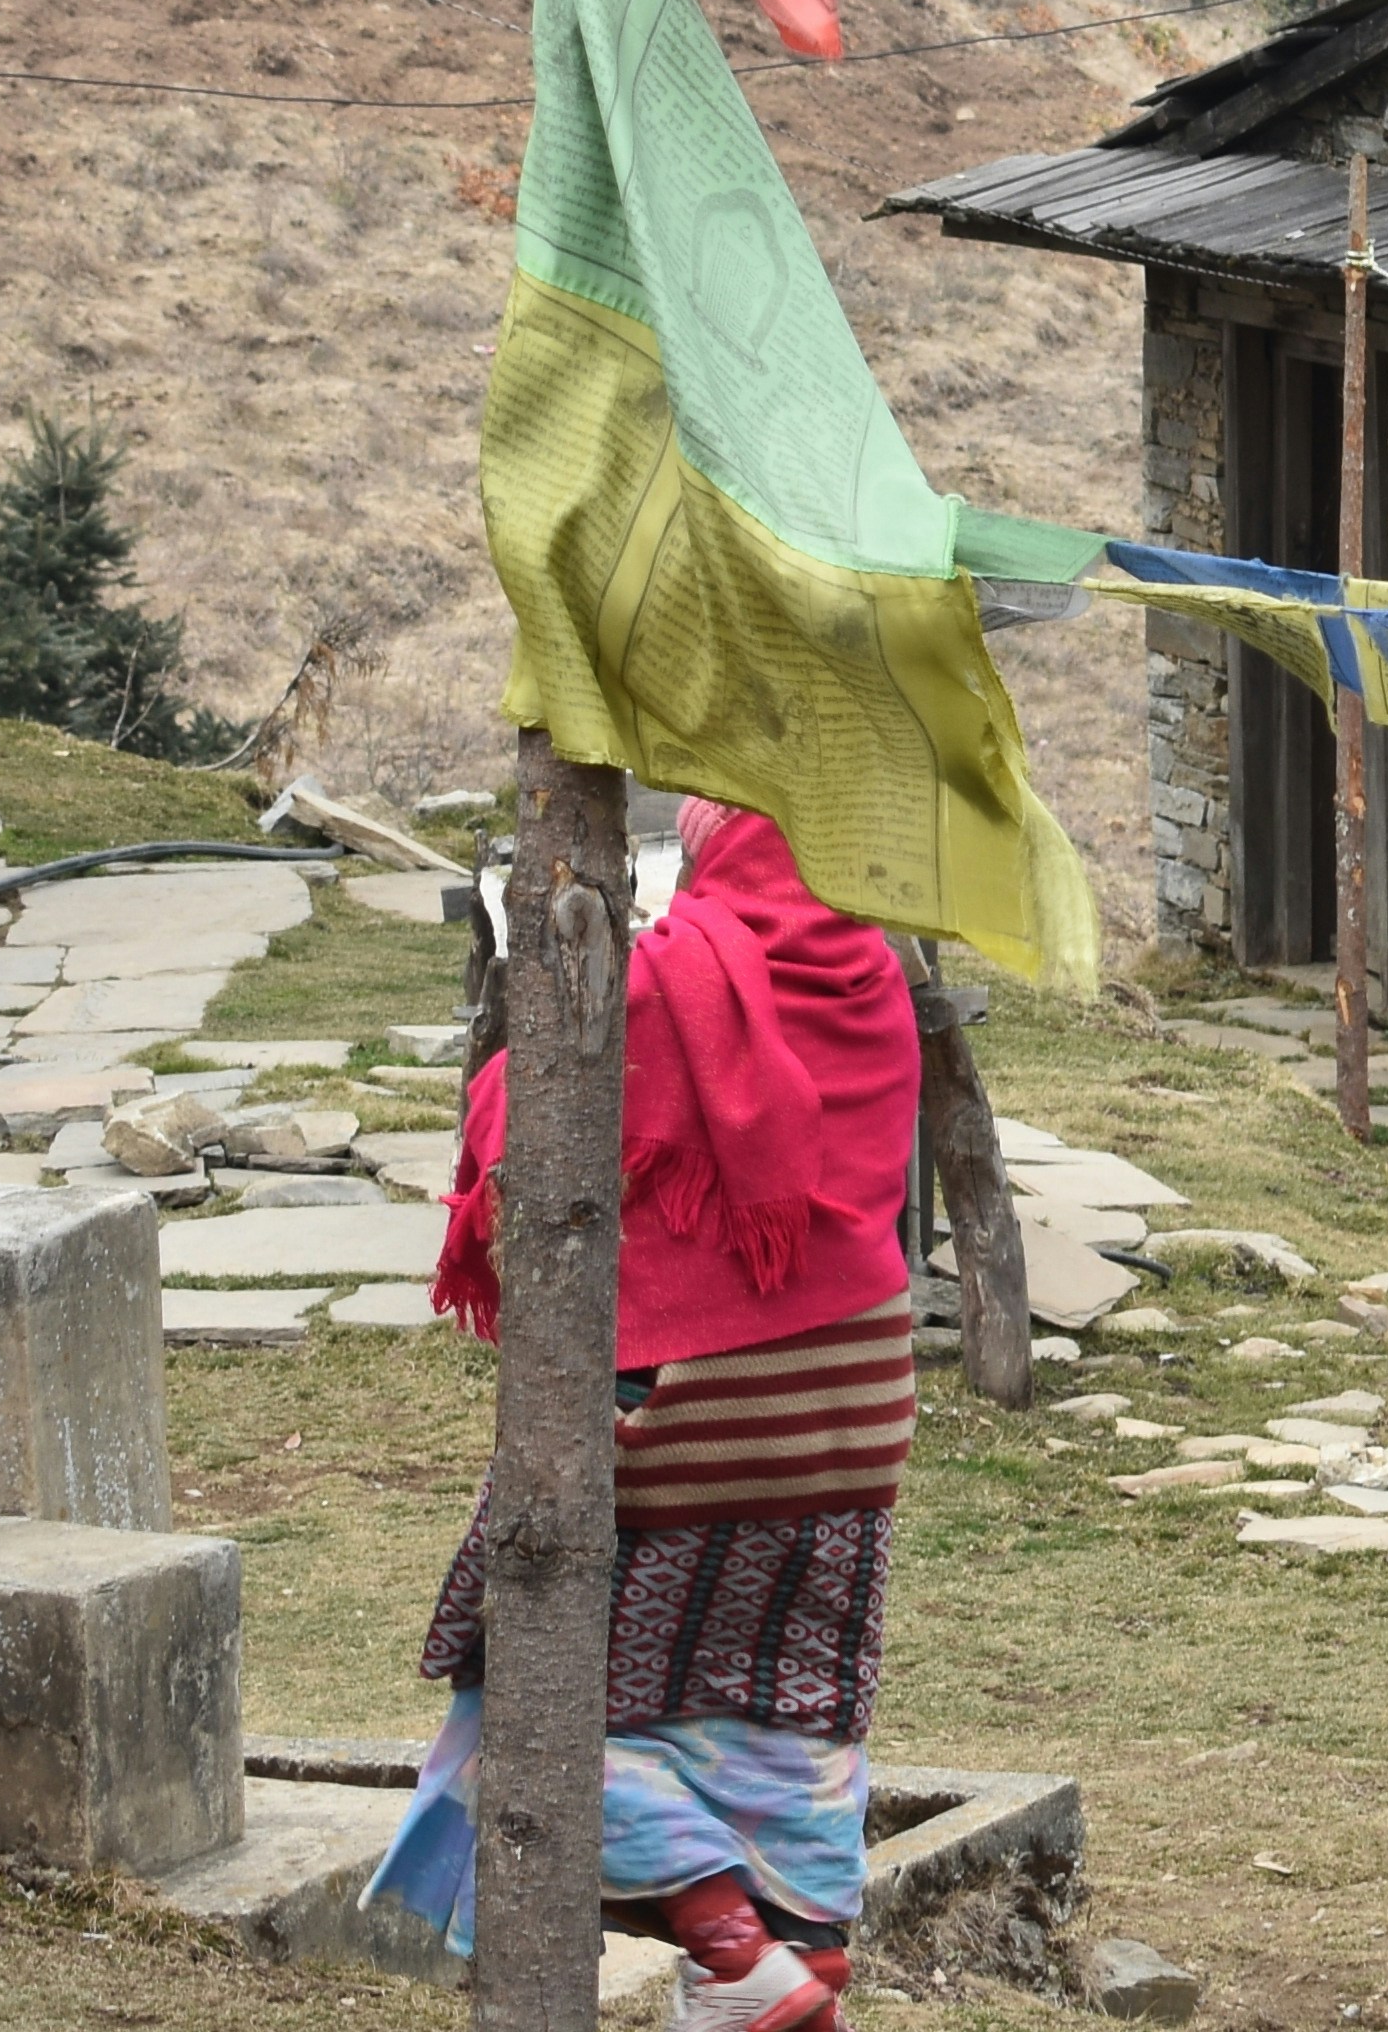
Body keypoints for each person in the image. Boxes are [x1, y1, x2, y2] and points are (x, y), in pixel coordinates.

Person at [370, 799, 930, 2032]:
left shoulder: (684, 976)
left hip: (711, 1418)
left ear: (722, 854)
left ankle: (734, 1948)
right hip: (860, 1422)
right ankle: (800, 1959)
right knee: (794, 1713)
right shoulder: (874, 978)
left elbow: (523, 1118)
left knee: (525, 1706)